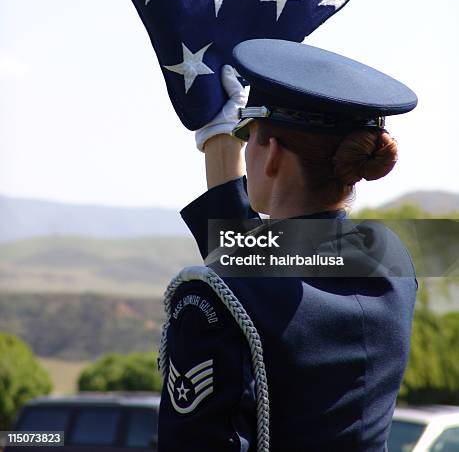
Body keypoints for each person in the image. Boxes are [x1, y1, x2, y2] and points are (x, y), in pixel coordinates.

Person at [157, 39, 419, 452]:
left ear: (272, 154)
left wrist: (219, 139)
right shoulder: (390, 258)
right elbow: (268, 268)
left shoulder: (212, 300)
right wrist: (224, 145)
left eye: (249, 134)